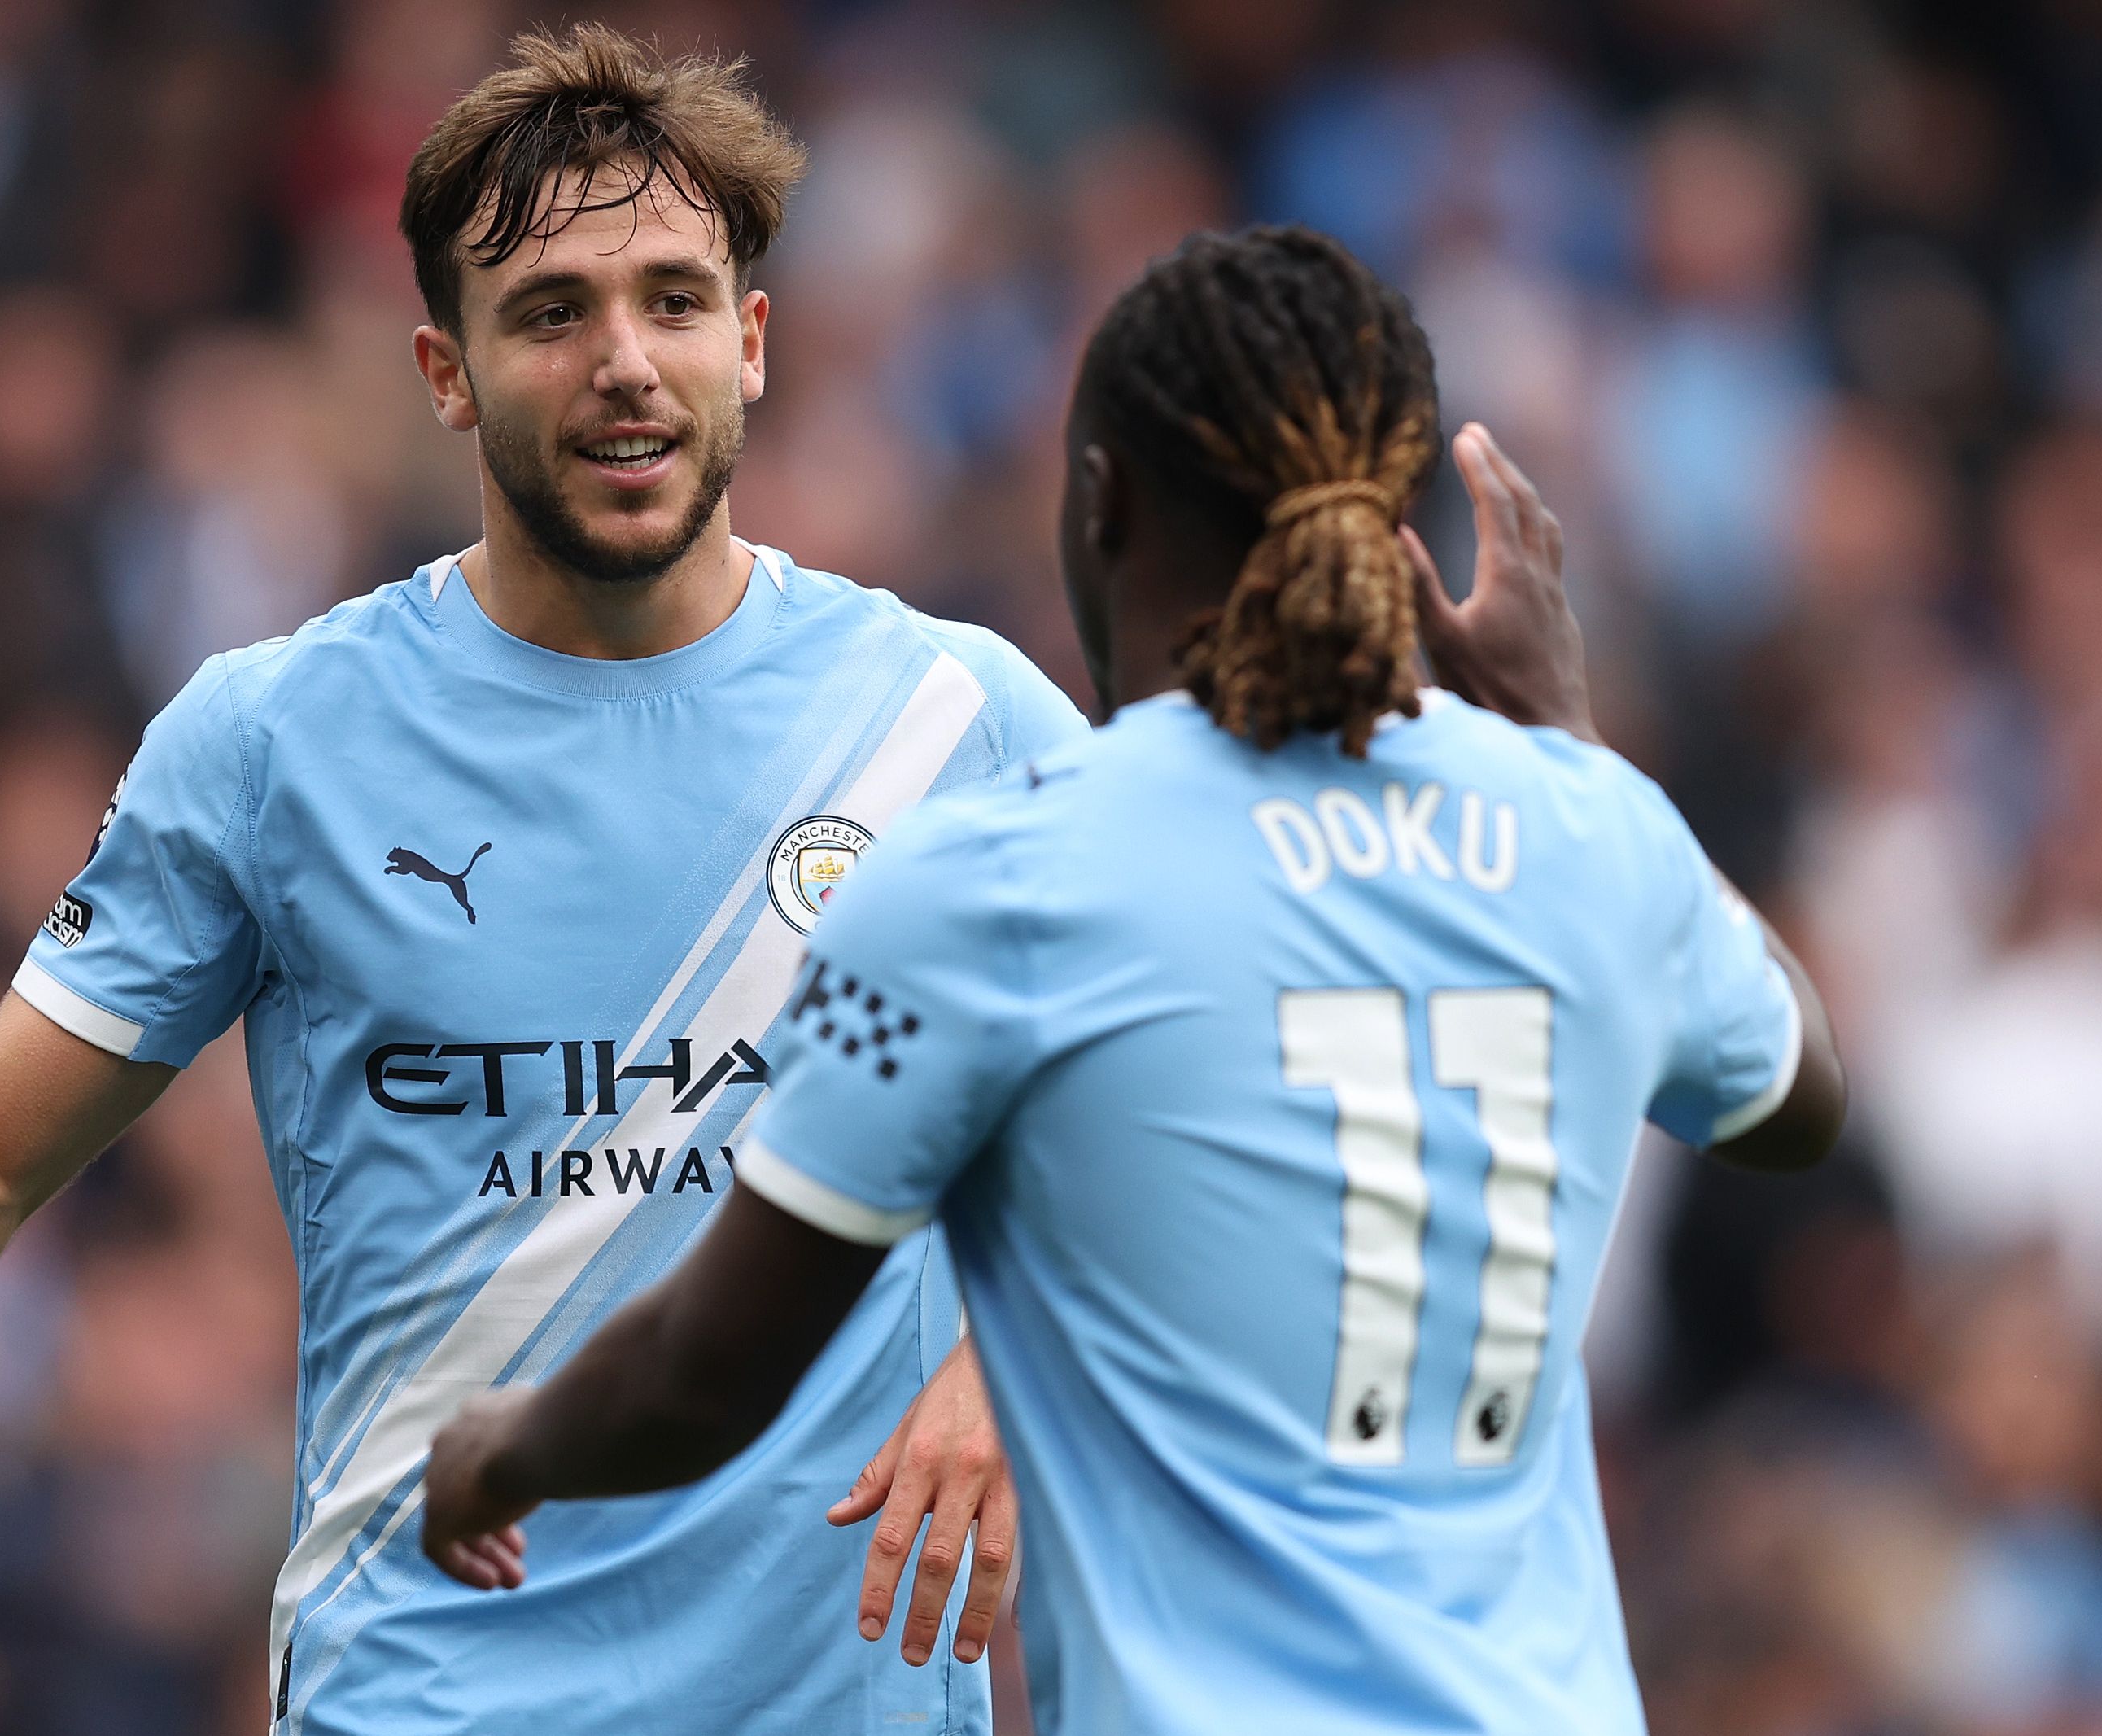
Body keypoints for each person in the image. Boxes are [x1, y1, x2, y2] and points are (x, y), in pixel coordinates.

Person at [0, 26, 1086, 1735]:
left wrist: (1012, 1367)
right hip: (421, 1694)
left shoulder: (959, 720)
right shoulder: (278, 739)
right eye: (553, 312)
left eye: (674, 299)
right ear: (446, 369)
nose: (626, 361)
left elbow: (1196, 1109)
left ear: (756, 341)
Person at [419, 226, 1849, 1735]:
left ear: (1099, 502)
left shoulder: (1002, 881)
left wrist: (495, 1449)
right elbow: (1799, 1098)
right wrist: (1568, 748)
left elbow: (706, 1373)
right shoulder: (1586, 832)